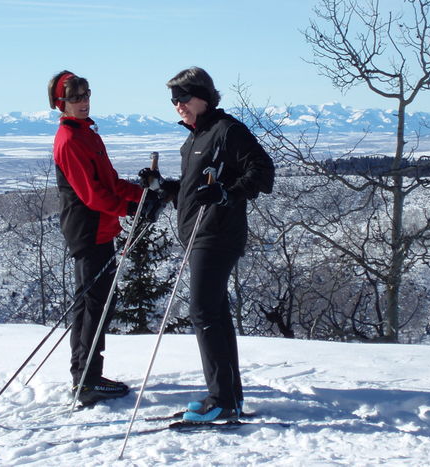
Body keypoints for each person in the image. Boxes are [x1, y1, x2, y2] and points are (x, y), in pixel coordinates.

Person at [139, 66, 275, 423]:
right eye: (173, 100)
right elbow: (192, 191)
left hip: (217, 234)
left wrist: (227, 194)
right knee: (214, 313)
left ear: (204, 96)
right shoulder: (194, 138)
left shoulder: (227, 131)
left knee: (202, 311)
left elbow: (263, 171)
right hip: (199, 233)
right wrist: (162, 187)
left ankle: (221, 399)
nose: (178, 105)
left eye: (183, 97)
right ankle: (229, 396)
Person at [48, 70, 159, 405]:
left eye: (86, 95)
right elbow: (93, 195)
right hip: (87, 231)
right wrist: (132, 207)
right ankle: (87, 380)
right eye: (75, 98)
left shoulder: (88, 135)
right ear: (61, 103)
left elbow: (109, 182)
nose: (83, 102)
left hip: (100, 229)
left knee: (92, 304)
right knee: (94, 306)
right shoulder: (69, 140)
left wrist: (144, 194)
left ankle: (85, 375)